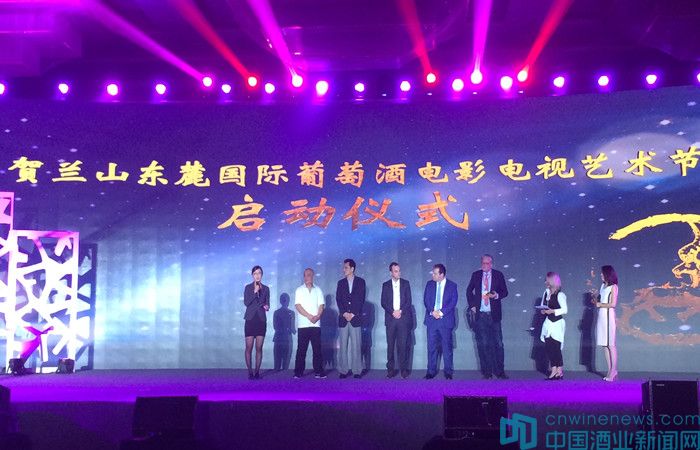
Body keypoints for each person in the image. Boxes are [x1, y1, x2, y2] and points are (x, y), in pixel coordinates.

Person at [466, 254, 509, 379]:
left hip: (494, 315)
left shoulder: (498, 275)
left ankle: (500, 371)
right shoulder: (476, 275)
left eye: (487, 263)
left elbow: (505, 292)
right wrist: (472, 305)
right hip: (481, 315)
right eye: (483, 263)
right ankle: (487, 372)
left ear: (491, 264)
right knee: (483, 344)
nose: (484, 265)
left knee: (498, 344)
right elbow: (469, 291)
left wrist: (496, 295)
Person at [423, 264, 458, 380]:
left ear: (442, 274)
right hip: (432, 320)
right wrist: (432, 311)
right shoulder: (429, 284)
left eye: (435, 273)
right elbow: (426, 300)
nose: (432, 275)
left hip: (445, 321)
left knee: (447, 348)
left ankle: (448, 372)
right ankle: (430, 371)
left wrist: (441, 312)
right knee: (431, 347)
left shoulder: (452, 286)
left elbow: (453, 302)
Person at [380, 262, 412, 379]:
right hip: (391, 319)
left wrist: (400, 311)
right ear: (391, 273)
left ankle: (403, 370)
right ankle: (390, 370)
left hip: (403, 319)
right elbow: (383, 302)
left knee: (402, 346)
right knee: (390, 346)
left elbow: (409, 301)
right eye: (396, 271)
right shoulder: (385, 285)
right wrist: (392, 312)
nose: (399, 273)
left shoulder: (406, 283)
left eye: (399, 270)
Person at [294, 268, 327, 379]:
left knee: (317, 349)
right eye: (306, 275)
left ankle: (319, 371)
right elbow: (298, 306)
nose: (308, 277)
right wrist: (309, 316)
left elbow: (321, 305)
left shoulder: (318, 290)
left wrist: (318, 316)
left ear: (313, 276)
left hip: (315, 324)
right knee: (301, 350)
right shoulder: (299, 290)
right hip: (303, 325)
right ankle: (298, 372)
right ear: (304, 277)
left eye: (310, 275)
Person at [336, 259, 366, 379]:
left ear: (352, 269)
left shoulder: (361, 282)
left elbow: (361, 299)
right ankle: (343, 370)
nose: (344, 269)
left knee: (356, 346)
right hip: (343, 319)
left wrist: (353, 313)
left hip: (355, 318)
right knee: (342, 346)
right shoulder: (340, 283)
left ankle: (357, 371)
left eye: (346, 267)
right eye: (344, 267)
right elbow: (338, 299)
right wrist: (344, 313)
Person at [592, 265, 618, 382]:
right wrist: (595, 299)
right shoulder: (603, 286)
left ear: (608, 274)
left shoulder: (614, 287)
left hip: (608, 316)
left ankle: (613, 370)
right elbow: (601, 300)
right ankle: (610, 370)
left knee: (611, 344)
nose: (601, 275)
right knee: (604, 344)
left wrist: (600, 304)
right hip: (601, 316)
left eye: (602, 273)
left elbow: (613, 304)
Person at [539, 272, 567, 380]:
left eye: (547, 280)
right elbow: (543, 306)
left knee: (556, 348)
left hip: (557, 323)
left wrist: (553, 311)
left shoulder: (560, 294)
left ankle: (559, 370)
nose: (545, 282)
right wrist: (543, 311)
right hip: (548, 323)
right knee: (549, 347)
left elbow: (565, 310)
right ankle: (554, 369)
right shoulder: (546, 293)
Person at [243, 265, 270, 379]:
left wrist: (267, 307)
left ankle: (257, 372)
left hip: (261, 320)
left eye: (259, 273)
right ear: (252, 275)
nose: (257, 275)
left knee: (259, 348)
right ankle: (250, 372)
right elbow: (246, 303)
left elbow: (268, 303)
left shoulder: (266, 288)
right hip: (250, 320)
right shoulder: (248, 287)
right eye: (255, 273)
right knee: (249, 348)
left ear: (262, 275)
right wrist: (255, 292)